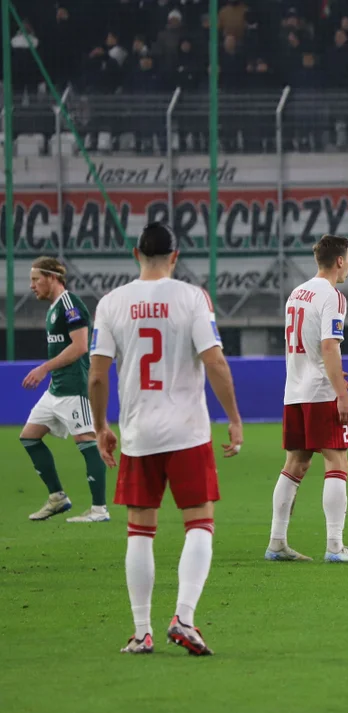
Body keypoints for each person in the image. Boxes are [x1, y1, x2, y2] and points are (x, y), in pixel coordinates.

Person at [89, 222, 243, 656]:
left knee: (140, 530)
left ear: (136, 252)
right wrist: (233, 417)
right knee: (200, 521)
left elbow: (98, 374)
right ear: (175, 257)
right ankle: (185, 617)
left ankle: (142, 632)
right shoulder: (192, 298)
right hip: (188, 430)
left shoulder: (111, 303)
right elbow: (215, 363)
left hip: (138, 432)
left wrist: (102, 426)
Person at [265, 234, 348, 563]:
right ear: (339, 261)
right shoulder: (333, 296)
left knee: (295, 464)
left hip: (294, 390)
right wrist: (341, 395)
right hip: (321, 392)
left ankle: (277, 542)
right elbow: (328, 346)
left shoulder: (297, 293)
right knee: (337, 462)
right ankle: (335, 547)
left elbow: (311, 347)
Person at [20, 257, 110, 523]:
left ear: (53, 278)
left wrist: (44, 368)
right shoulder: (52, 309)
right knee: (29, 437)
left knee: (87, 442)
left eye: (36, 279)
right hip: (56, 389)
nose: (32, 285)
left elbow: (81, 346)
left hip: (75, 387)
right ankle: (57, 498)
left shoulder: (70, 305)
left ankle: (99, 509)